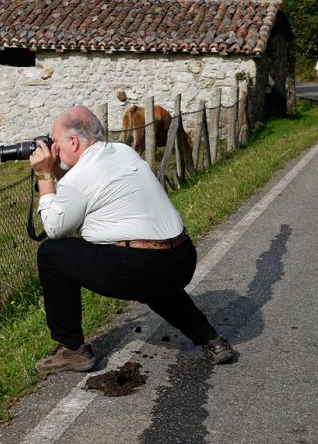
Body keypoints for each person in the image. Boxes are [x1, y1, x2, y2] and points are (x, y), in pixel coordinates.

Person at [28, 105, 234, 374]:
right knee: (153, 279)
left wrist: (45, 175)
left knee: (51, 254)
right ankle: (212, 340)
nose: (52, 148)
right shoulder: (122, 152)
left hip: (140, 267)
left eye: (54, 142)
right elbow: (85, 186)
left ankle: (72, 349)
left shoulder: (80, 177)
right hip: (182, 259)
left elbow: (55, 228)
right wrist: (59, 173)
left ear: (74, 141)